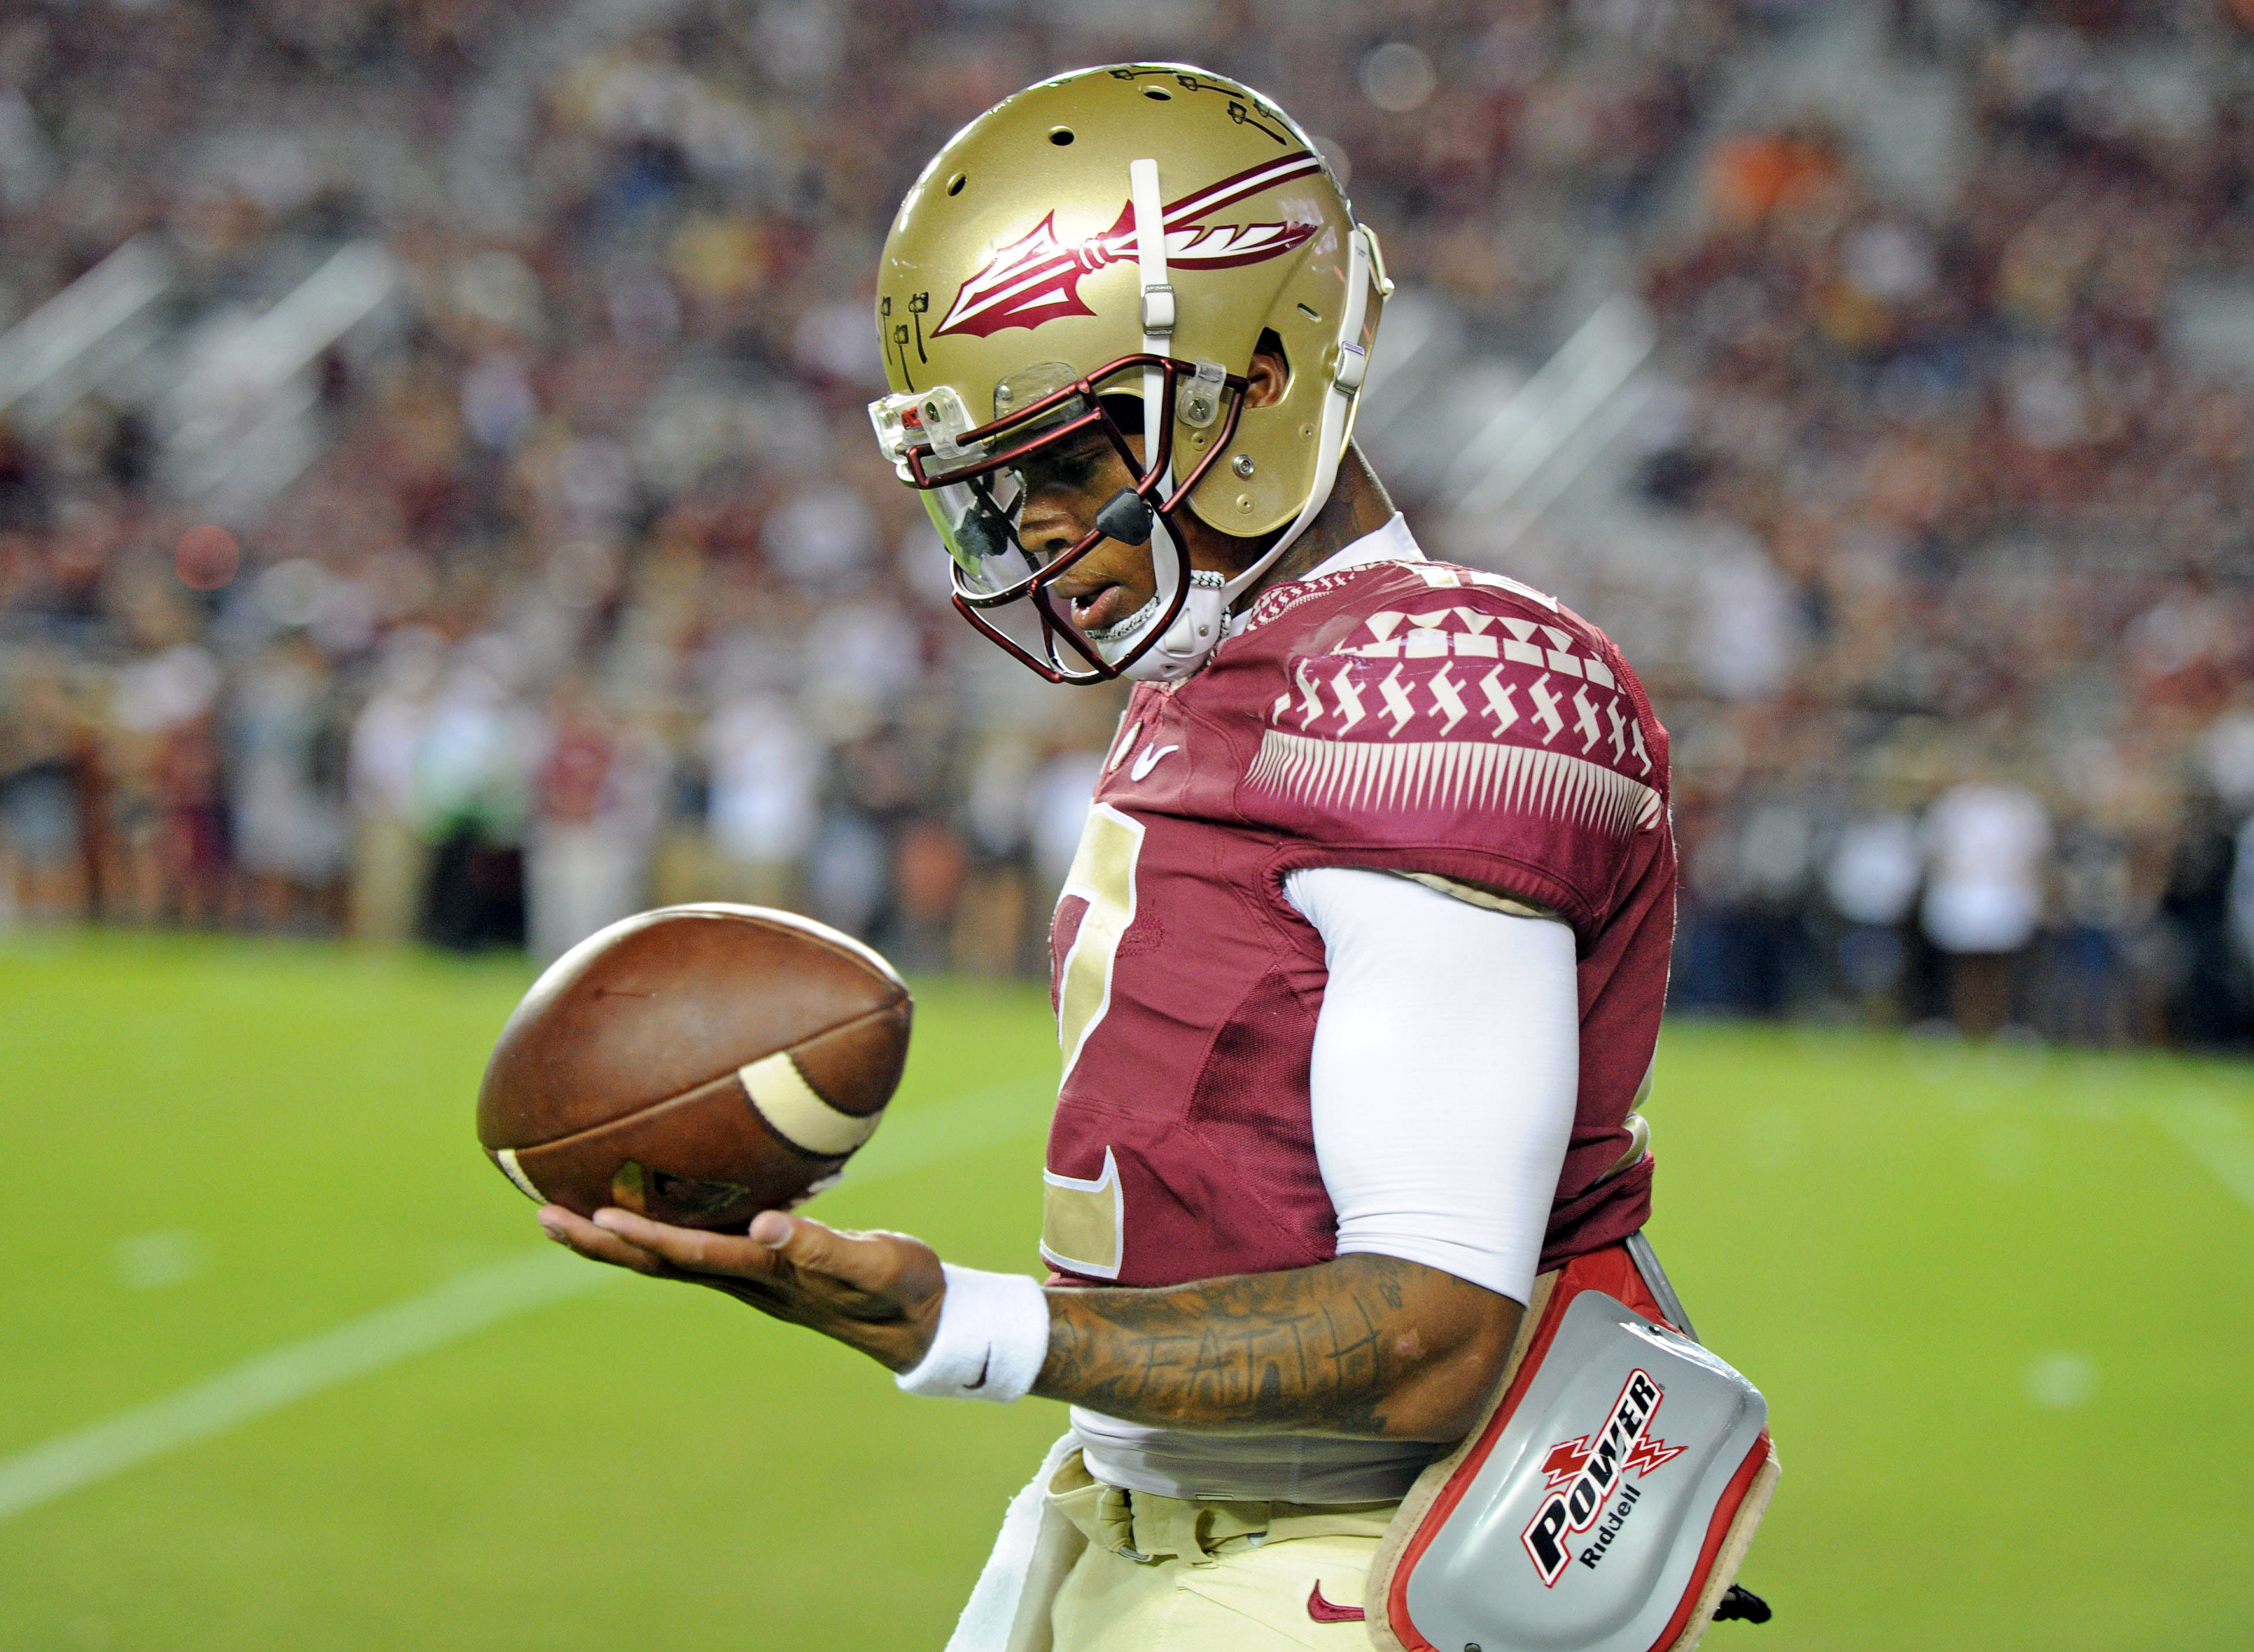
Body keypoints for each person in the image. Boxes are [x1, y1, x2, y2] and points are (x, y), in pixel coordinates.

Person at [538, 66, 1758, 1650]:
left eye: (1067, 461)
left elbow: (1436, 1328)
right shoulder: (1220, 671)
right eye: (996, 484)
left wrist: (960, 1323)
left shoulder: (1442, 685)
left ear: (1258, 373)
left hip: (1341, 1550)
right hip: (1134, 1507)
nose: (1033, 529)